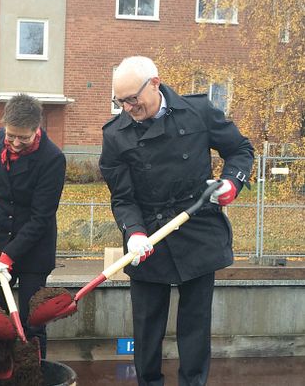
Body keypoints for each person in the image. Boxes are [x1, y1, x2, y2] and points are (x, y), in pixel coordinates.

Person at [99, 56, 254, 386]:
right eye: (119, 101)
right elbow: (122, 197)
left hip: (197, 227)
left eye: (131, 99)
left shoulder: (198, 111)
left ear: (155, 83)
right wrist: (134, 233)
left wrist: (231, 183)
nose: (126, 108)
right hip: (150, 237)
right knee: (146, 327)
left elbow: (240, 149)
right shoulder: (115, 135)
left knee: (195, 325)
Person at [0, 93, 66, 358]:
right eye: (10, 135)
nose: (13, 143)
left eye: (22, 138)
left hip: (34, 250)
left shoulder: (52, 159)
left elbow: (41, 218)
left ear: (37, 129)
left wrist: (10, 255)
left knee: (32, 320)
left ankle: (34, 372)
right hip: (0, 241)